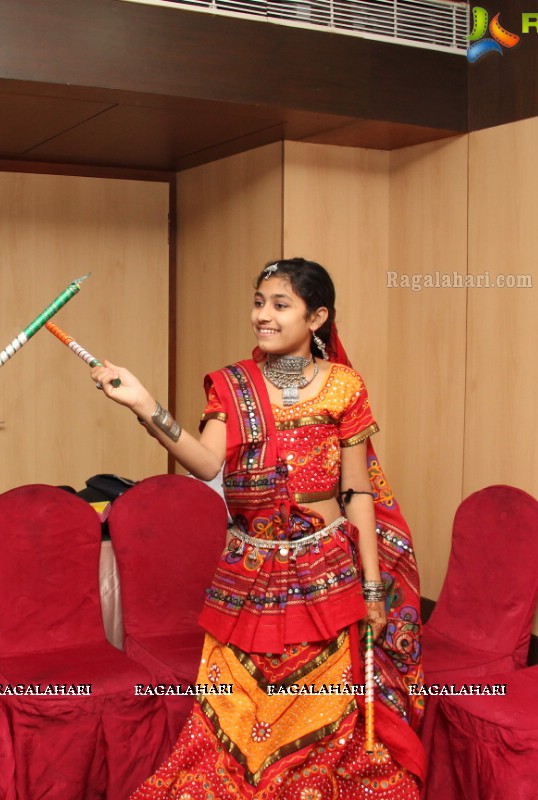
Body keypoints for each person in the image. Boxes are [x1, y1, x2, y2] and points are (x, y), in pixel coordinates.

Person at [90, 258, 426, 798]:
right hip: (251, 573)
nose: (262, 316)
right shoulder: (233, 386)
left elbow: (357, 491)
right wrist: (143, 403)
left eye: (279, 304)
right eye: (258, 302)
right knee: (236, 707)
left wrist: (370, 586)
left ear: (317, 318)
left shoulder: (343, 387)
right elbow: (203, 463)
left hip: (325, 571)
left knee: (325, 718)